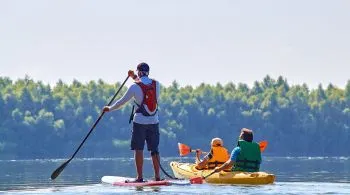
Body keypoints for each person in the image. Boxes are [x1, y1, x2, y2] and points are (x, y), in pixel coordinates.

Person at [103, 62, 161, 182]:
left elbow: (121, 102)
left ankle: (139, 177)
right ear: (148, 72)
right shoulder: (157, 84)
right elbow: (144, 83)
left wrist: (109, 108)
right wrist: (133, 76)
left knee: (138, 149)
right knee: (154, 150)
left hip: (140, 121)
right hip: (154, 121)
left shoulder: (134, 87)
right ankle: (157, 177)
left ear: (139, 72)